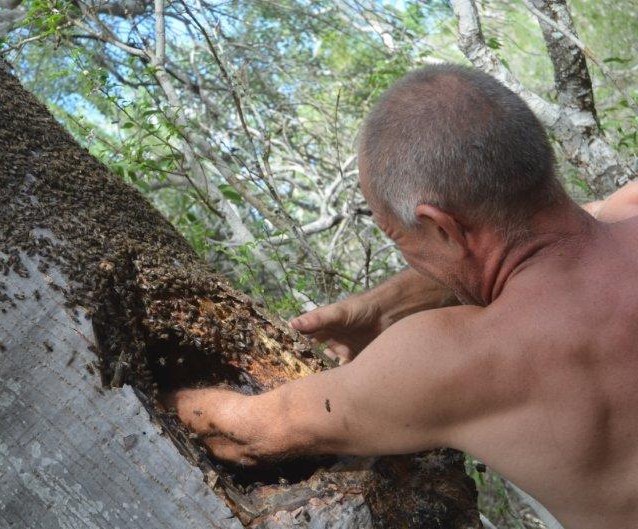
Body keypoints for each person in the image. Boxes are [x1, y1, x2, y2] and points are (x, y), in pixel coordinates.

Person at [165, 64, 638, 529]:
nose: (407, 255)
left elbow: (243, 431)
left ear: (439, 226)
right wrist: (388, 306)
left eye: (399, 238)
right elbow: (585, 218)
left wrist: (161, 387)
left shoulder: (452, 361)